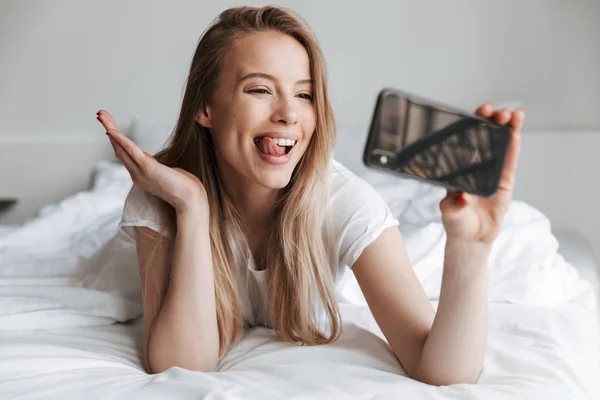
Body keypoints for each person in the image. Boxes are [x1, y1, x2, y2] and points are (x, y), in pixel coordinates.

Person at [96, 5, 525, 386]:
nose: (288, 114)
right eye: (260, 89)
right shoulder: (163, 193)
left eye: (304, 94)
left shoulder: (346, 202)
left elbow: (443, 372)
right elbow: (182, 368)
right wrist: (191, 206)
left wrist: (470, 246)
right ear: (204, 108)